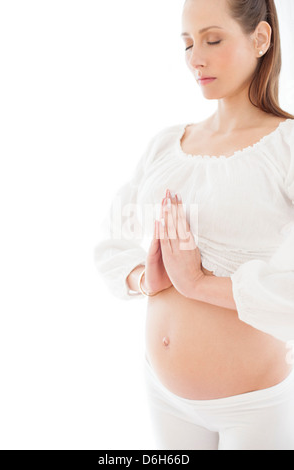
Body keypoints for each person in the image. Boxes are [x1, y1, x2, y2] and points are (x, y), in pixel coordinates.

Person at [94, 0, 294, 450]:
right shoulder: (167, 144)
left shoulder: (287, 147)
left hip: (254, 407)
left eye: (212, 39)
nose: (195, 59)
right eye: (186, 44)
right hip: (164, 395)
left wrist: (200, 284)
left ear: (260, 39)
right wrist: (146, 277)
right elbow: (113, 235)